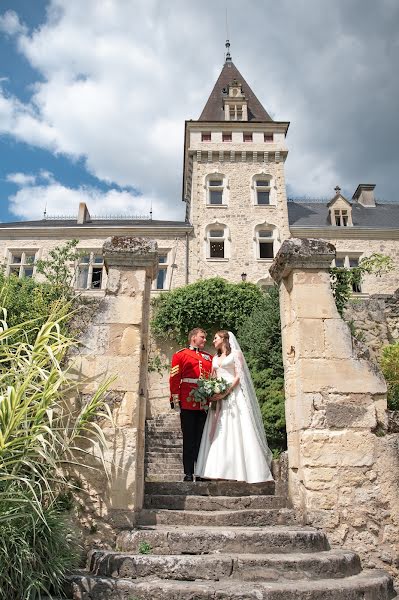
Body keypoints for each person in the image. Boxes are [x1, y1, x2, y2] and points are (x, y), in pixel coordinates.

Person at [195, 330, 273, 483]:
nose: (213, 341)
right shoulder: (215, 358)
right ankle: (216, 469)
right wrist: (211, 390)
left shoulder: (236, 354)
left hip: (233, 395)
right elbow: (213, 376)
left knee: (236, 429)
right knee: (218, 431)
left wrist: (227, 390)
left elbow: (239, 375)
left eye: (215, 338)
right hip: (218, 398)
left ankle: (240, 471)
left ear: (224, 339)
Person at [169, 328, 213, 482]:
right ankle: (188, 472)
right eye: (202, 337)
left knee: (202, 438)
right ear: (194, 338)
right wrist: (175, 398)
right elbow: (174, 378)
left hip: (204, 403)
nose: (205, 340)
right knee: (189, 438)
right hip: (187, 400)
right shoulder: (180, 355)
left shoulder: (209, 357)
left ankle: (201, 472)